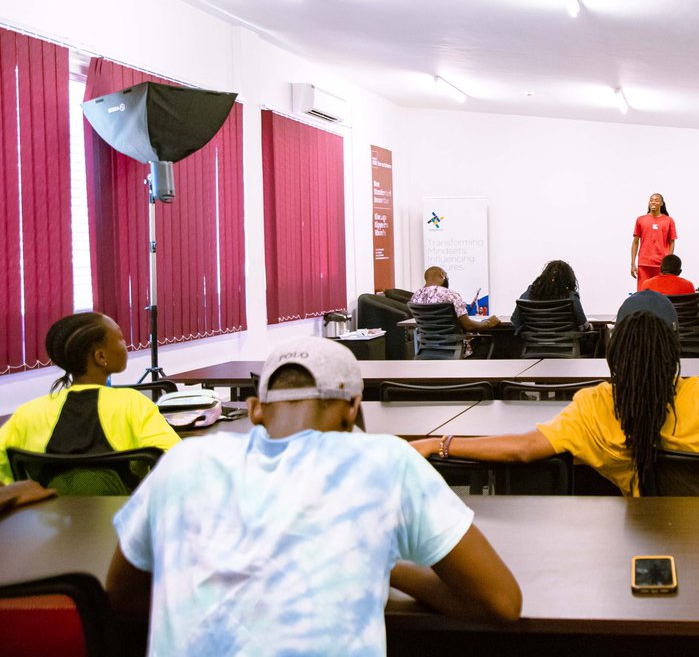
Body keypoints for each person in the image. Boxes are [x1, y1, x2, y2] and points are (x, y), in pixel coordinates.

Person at [106, 336, 521, 655]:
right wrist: (391, 568)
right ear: (353, 407)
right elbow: (499, 601)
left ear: (254, 408)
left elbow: (122, 596)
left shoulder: (184, 462)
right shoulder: (385, 461)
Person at [411, 291, 699, 497]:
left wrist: (438, 443)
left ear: (616, 346)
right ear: (673, 346)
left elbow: (523, 449)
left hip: (640, 536)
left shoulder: (596, 405)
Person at [0, 312, 180, 489]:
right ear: (101, 357)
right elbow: (178, 459)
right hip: (118, 514)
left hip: (50, 516)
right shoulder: (133, 404)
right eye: (121, 338)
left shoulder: (28, 413)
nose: (125, 344)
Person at [410, 266, 501, 355]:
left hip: (428, 348)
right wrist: (489, 322)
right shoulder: (450, 294)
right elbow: (469, 326)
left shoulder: (415, 297)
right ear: (442, 274)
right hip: (454, 349)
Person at [510, 259, 590, 332]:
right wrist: (590, 327)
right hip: (566, 345)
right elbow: (582, 326)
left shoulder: (529, 293)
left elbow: (515, 320)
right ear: (568, 279)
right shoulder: (571, 297)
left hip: (534, 344)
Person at [630, 192, 677, 290]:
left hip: (661, 265)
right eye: (651, 200)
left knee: (661, 294)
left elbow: (672, 242)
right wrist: (633, 263)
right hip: (644, 264)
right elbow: (635, 242)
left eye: (656, 200)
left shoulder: (669, 221)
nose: (653, 202)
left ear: (661, 203)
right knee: (643, 294)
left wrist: (668, 263)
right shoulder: (641, 220)